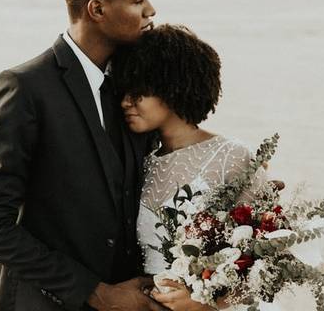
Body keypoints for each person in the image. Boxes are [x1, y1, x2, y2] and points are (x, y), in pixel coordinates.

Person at [0, 0, 167, 311]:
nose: (150, 11)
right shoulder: (25, 87)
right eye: (139, 0)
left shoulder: (134, 88)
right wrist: (96, 293)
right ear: (97, 9)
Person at [112, 24, 281, 311]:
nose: (126, 101)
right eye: (124, 90)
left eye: (138, 91)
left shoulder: (232, 157)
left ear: (172, 87)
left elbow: (272, 263)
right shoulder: (136, 159)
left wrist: (206, 301)